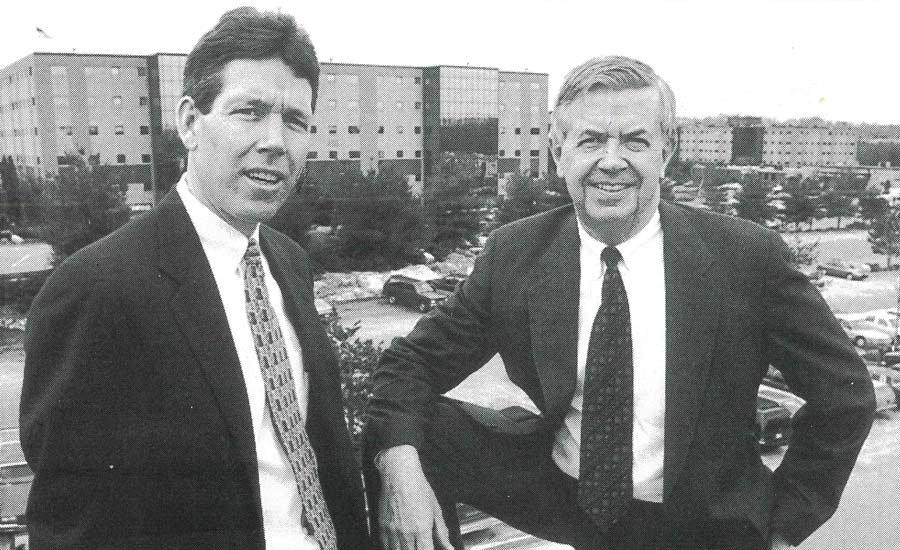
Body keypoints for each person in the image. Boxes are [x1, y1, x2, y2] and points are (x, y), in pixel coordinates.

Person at [364, 56, 876, 550]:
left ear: (665, 151)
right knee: (406, 432)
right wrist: (400, 469)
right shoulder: (515, 253)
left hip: (698, 523)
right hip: (569, 492)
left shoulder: (746, 257)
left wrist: (784, 525)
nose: (611, 161)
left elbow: (845, 398)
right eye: (590, 141)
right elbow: (412, 364)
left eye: (634, 140)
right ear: (557, 150)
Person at [20, 7, 368, 549]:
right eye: (249, 112)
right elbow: (76, 528)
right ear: (189, 122)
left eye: (295, 120)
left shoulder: (289, 262)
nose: (275, 140)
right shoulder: (96, 289)